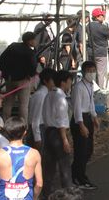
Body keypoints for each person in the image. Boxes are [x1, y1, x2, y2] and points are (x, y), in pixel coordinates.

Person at [0, 116, 43, 200]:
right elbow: (39, 184)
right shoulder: (34, 154)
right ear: (24, 133)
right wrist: (34, 198)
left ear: (7, 133)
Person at [41, 70, 74, 198]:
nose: (70, 84)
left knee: (49, 166)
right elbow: (61, 121)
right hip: (59, 133)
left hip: (48, 131)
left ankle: (47, 193)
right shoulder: (61, 98)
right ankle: (68, 193)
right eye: (69, 82)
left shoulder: (49, 95)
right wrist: (65, 140)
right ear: (63, 82)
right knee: (64, 165)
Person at [70, 61, 100, 189]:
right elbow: (76, 108)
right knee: (81, 151)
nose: (92, 73)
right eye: (89, 71)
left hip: (88, 117)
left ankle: (78, 174)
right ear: (83, 72)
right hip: (80, 120)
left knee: (88, 150)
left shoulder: (90, 85)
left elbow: (91, 102)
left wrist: (94, 117)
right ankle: (79, 178)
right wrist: (81, 125)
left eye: (93, 70)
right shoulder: (78, 87)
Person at [0, 31, 39, 121]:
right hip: (23, 80)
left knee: (8, 103)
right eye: (34, 40)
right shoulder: (30, 52)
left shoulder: (13, 46)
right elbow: (33, 65)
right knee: (23, 104)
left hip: (10, 79)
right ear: (29, 41)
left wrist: (5, 72)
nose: (35, 42)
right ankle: (23, 125)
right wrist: (30, 75)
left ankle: (5, 123)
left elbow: (2, 58)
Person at [87, 7, 109, 89]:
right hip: (101, 53)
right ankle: (100, 91)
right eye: (102, 15)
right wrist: (107, 27)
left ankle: (91, 89)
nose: (103, 16)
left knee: (92, 72)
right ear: (97, 17)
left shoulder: (88, 26)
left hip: (91, 52)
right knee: (100, 74)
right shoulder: (103, 27)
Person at [27, 68, 56, 150]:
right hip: (38, 129)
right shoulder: (41, 95)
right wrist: (37, 138)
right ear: (45, 81)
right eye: (53, 80)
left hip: (43, 128)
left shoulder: (47, 93)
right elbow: (35, 118)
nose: (55, 83)